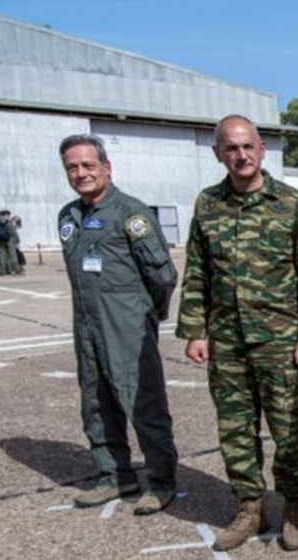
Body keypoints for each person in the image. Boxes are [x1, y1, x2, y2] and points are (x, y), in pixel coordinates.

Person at [177, 114, 298, 552]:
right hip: (226, 339)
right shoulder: (207, 205)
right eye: (231, 148)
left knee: (289, 431)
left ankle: (295, 507)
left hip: (281, 340)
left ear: (262, 149)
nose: (241, 155)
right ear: (218, 154)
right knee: (235, 430)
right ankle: (249, 506)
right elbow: (197, 272)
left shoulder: (290, 202)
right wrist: (195, 330)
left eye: (248, 146)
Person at [57, 134, 180, 513]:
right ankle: (115, 475)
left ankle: (161, 480)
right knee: (96, 402)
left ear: (106, 168)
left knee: (142, 403)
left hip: (127, 327)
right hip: (87, 326)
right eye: (73, 168)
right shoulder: (69, 216)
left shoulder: (132, 214)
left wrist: (146, 315)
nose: (81, 174)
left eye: (88, 166)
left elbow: (163, 276)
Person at [0, 209, 19, 275]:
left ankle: (2, 271)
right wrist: (17, 240)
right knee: (12, 256)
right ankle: (15, 270)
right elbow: (14, 232)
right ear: (5, 215)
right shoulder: (9, 223)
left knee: (2, 256)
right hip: (9, 241)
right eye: (8, 215)